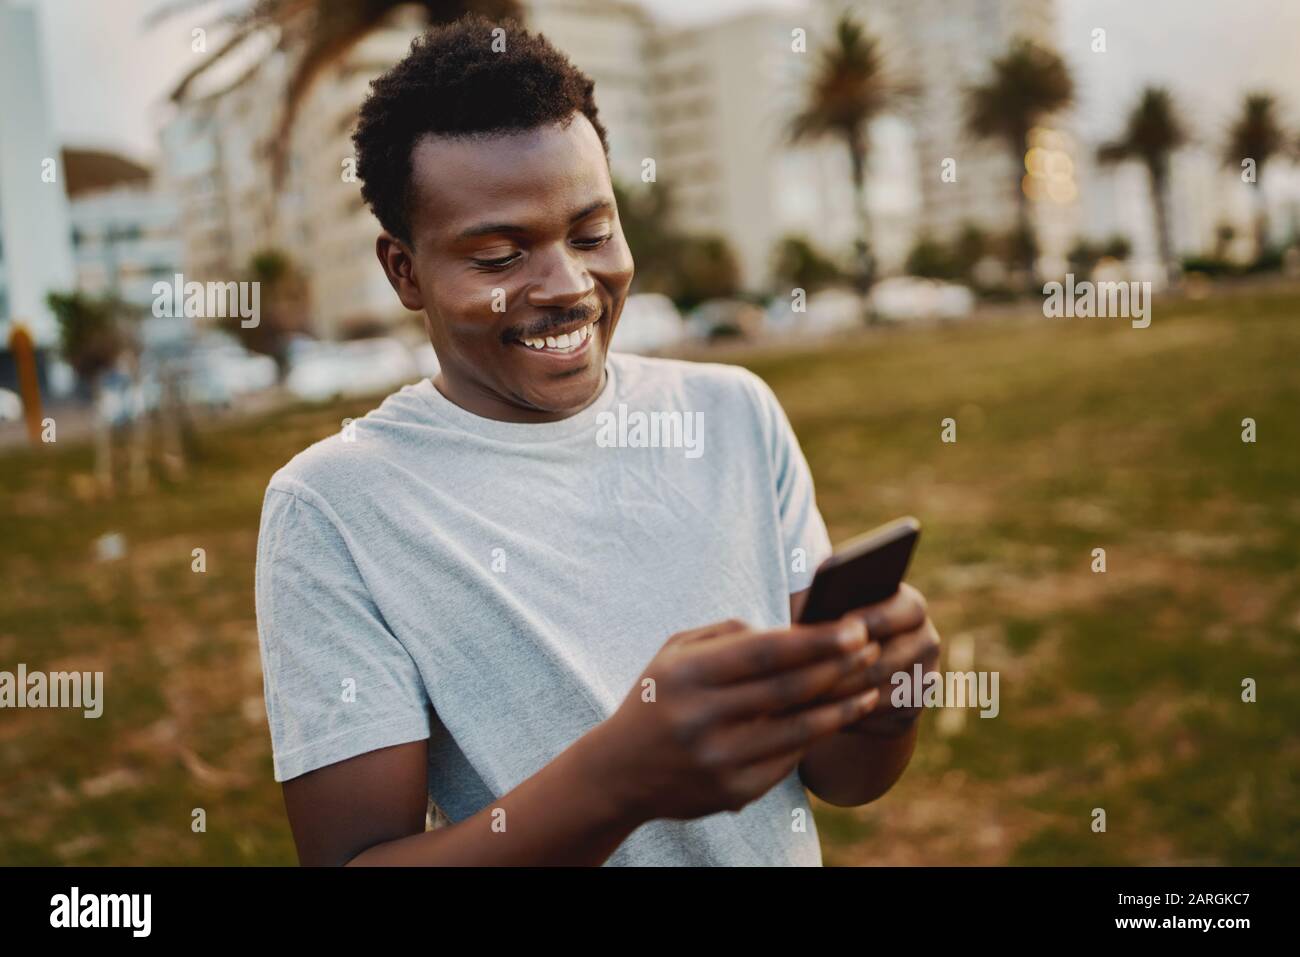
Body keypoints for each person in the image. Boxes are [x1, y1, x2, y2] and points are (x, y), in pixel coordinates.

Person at [254, 14, 940, 866]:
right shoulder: (334, 507)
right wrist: (615, 781)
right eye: (500, 257)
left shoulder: (733, 414)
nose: (569, 285)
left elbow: (840, 774)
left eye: (591, 234)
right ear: (404, 271)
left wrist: (884, 702)